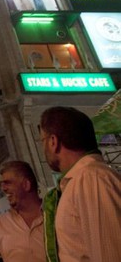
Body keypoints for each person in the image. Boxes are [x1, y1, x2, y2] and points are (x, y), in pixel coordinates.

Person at [39, 105, 121, 262]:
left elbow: (111, 254)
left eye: (42, 140)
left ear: (53, 141)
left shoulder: (92, 178)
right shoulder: (78, 182)